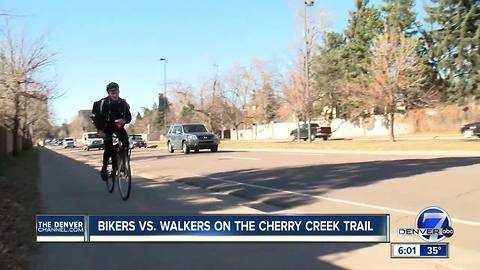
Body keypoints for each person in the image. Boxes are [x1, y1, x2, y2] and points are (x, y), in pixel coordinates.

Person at [91, 82, 132, 181]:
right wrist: (100, 130)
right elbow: (97, 117)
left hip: (118, 126)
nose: (114, 94)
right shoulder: (103, 103)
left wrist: (124, 120)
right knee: (108, 148)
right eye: (112, 92)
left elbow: (129, 117)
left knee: (126, 143)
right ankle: (104, 167)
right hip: (106, 126)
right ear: (108, 93)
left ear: (119, 91)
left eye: (116, 91)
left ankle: (123, 164)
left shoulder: (123, 103)